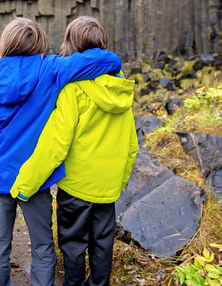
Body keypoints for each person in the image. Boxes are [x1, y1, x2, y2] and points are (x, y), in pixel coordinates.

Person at [0, 17, 123, 286]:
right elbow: (92, 62)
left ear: (6, 42)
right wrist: (114, 61)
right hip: (35, 179)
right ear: (40, 42)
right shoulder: (51, 69)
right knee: (42, 245)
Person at [10, 16, 139, 286]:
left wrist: (25, 184)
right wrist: (121, 180)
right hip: (107, 187)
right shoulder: (121, 88)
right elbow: (131, 144)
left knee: (72, 245)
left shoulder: (73, 89)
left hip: (77, 189)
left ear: (71, 44)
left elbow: (55, 144)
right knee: (103, 244)